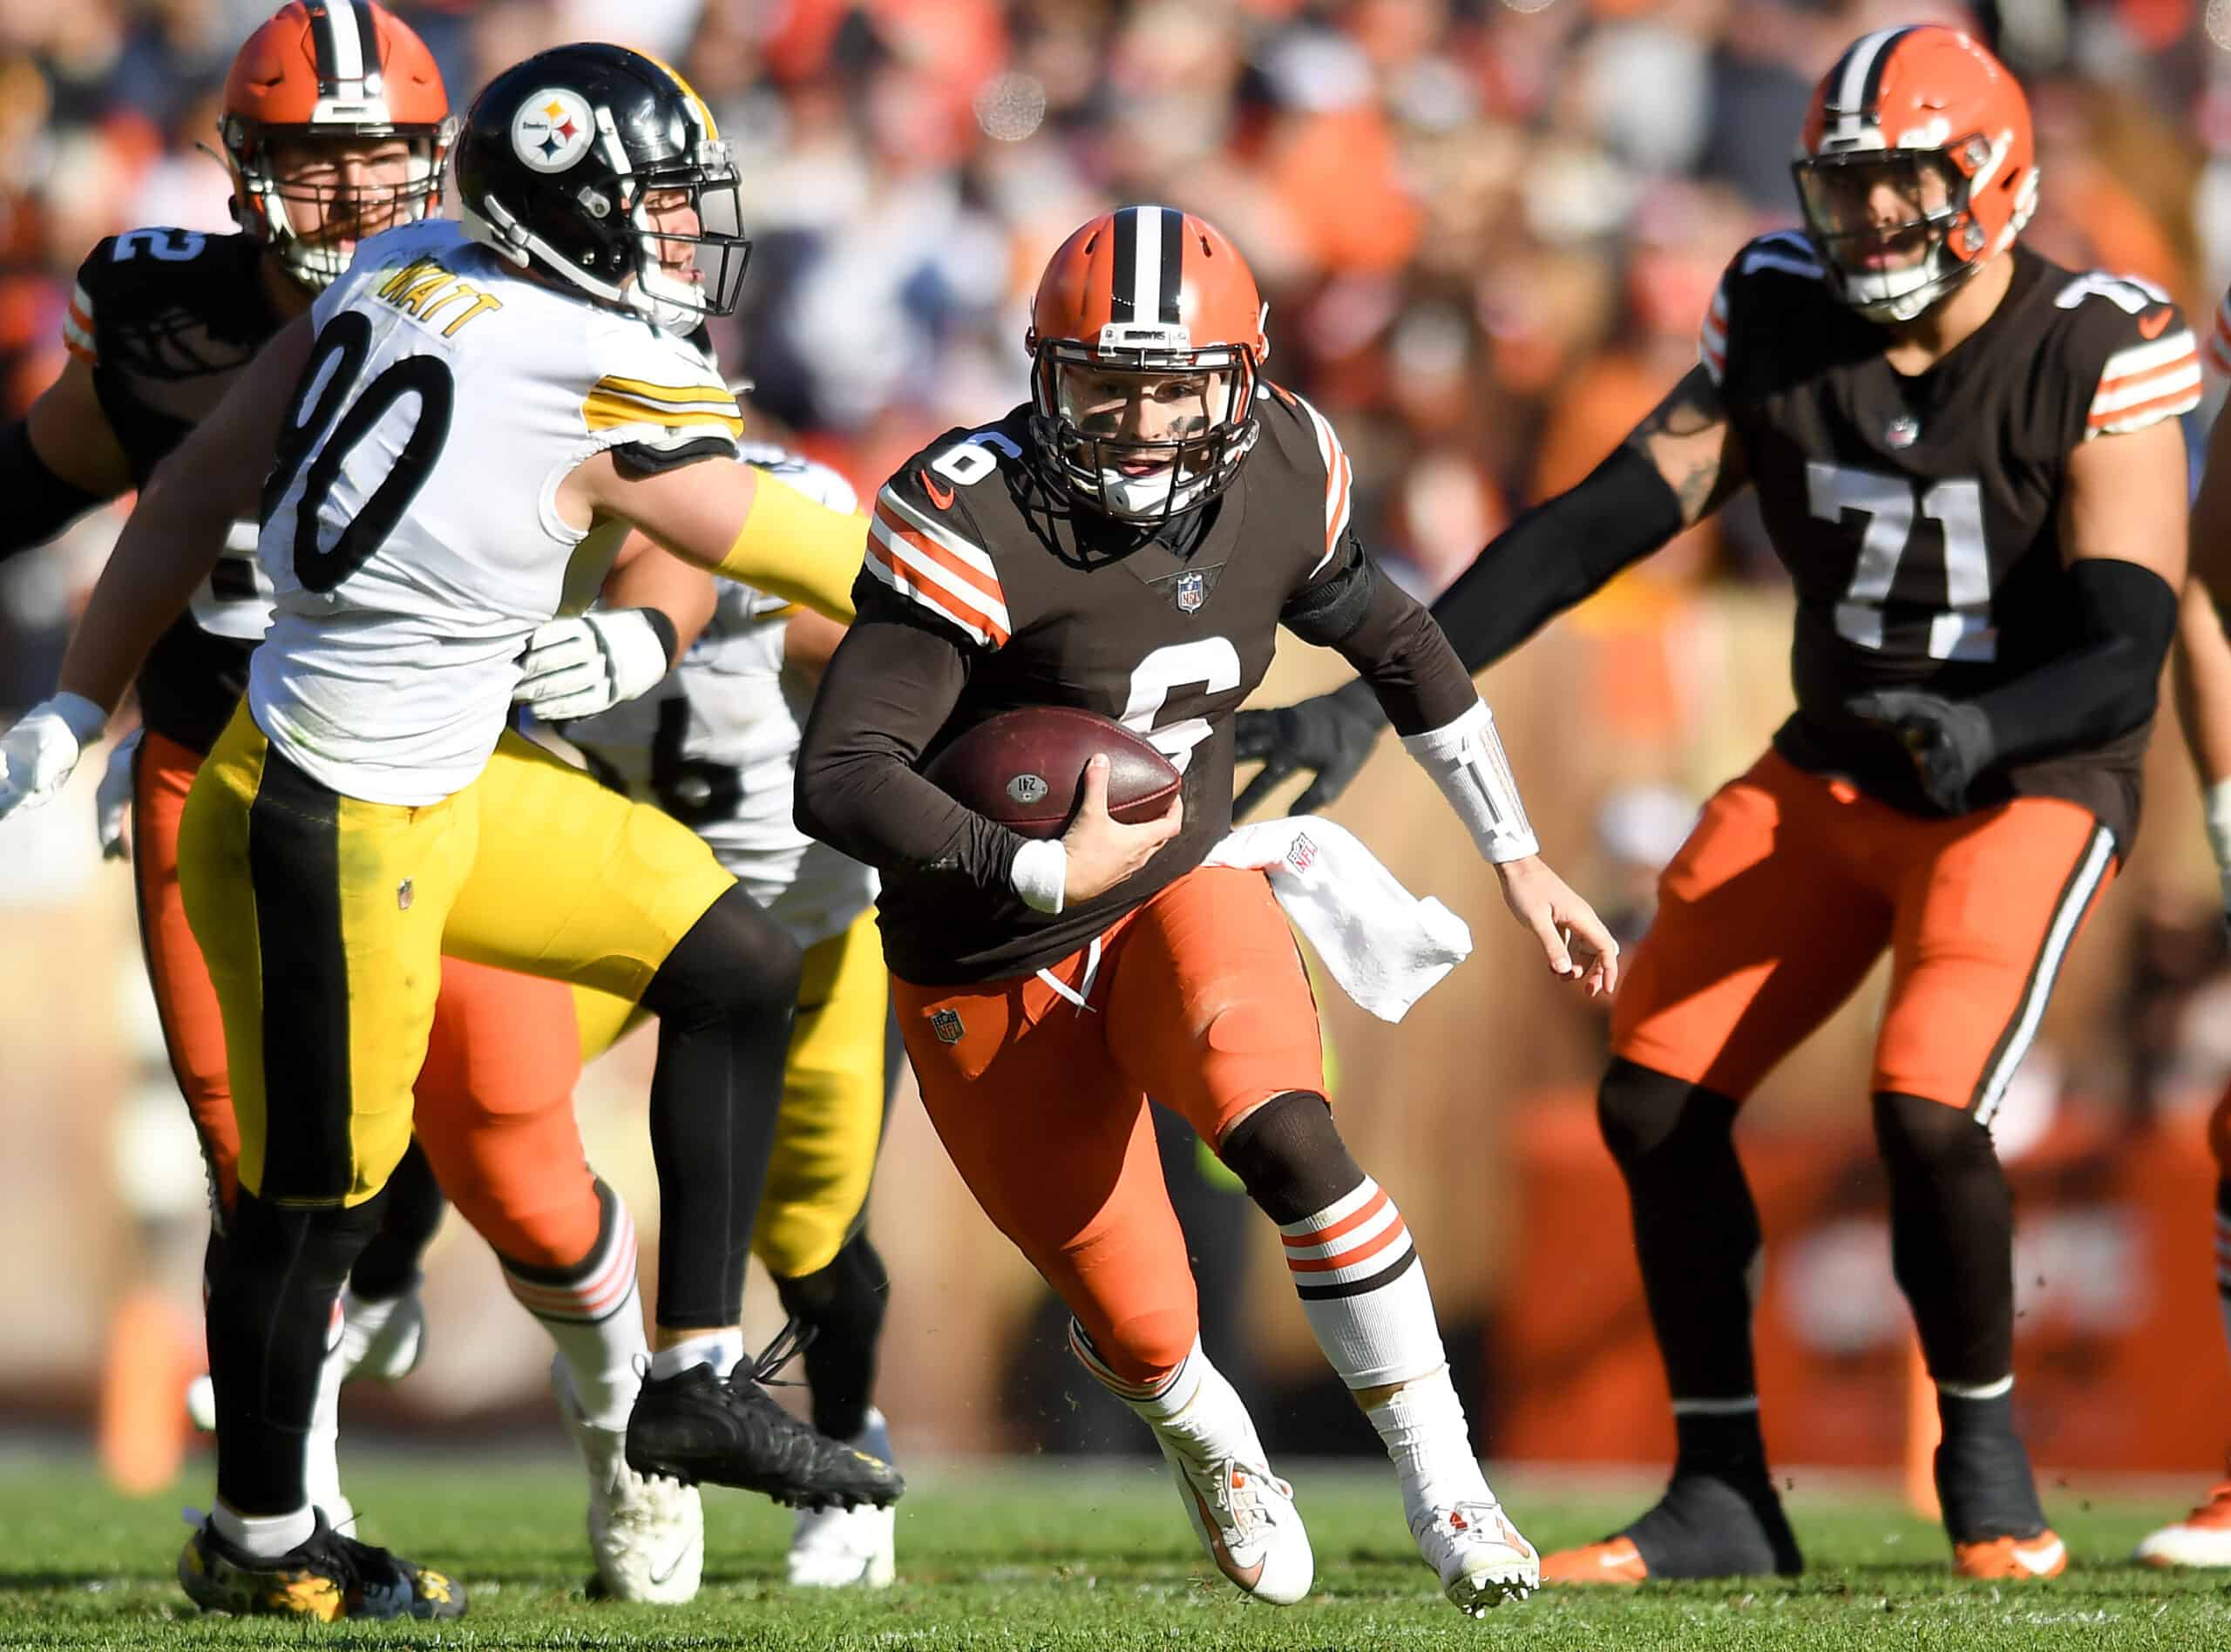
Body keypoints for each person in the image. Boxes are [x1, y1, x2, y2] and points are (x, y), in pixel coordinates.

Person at [1234, 24, 2194, 1582]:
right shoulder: (1779, 313)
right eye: (1850, 185)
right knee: (1656, 1091)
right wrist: (1379, 690)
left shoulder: (2095, 345)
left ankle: (1985, 1452)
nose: (1870, 220)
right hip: (1834, 767)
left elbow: (2125, 654)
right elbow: (1591, 526)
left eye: (1903, 185)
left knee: (1928, 1107)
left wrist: (1983, 728)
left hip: (2026, 780)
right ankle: (1725, 1487)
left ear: (1993, 181)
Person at [0, 42, 900, 1620]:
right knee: (300, 1202)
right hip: (318, 810)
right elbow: (771, 531)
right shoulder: (555, 343)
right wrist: (1013, 619)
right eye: (659, 209)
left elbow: (213, 478)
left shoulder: (408, 265)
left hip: (440, 774)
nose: (687, 239)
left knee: (726, 969)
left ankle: (683, 1376)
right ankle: (268, 1536)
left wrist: (76, 696)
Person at [796, 203, 1618, 1616]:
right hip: (985, 947)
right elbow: (844, 771)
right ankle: (1214, 1440)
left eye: (1172, 385)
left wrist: (1519, 854)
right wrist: (1039, 870)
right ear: (1044, 374)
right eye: (1102, 384)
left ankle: (1448, 1484)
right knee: (1140, 1323)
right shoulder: (973, 508)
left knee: (1285, 1129)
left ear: (1236, 382)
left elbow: (1404, 643)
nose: (1134, 421)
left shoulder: (1290, 465)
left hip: (1184, 878)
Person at [561, 443, 902, 1589]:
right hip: (628, 914)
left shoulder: (771, 540)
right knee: (475, 1087)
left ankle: (852, 1438)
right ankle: (382, 1298)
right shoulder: (531, 528)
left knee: (809, 1232)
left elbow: (884, 657)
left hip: (806, 928)